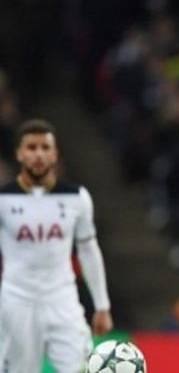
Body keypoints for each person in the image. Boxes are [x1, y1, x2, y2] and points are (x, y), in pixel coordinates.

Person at [0, 119, 113, 373]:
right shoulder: (4, 199)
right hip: (17, 301)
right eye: (31, 147)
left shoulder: (77, 196)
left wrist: (102, 305)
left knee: (81, 368)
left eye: (44, 147)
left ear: (55, 154)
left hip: (62, 299)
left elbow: (88, 250)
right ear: (19, 153)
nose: (38, 154)